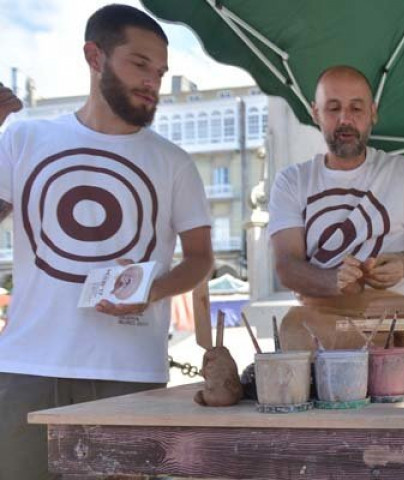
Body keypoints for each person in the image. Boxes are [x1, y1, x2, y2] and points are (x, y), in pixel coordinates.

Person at [0, 5, 214, 478]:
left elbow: (200, 259)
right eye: (139, 64)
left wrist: (151, 290)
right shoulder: (23, 139)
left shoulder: (174, 162)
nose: (152, 82)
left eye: (159, 71)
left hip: (129, 372)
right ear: (94, 56)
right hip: (25, 366)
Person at [269, 65, 404, 299]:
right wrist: (333, 281)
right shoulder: (291, 181)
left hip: (391, 325)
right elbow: (286, 266)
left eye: (356, 108)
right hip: (317, 325)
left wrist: (403, 265)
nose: (345, 119)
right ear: (316, 113)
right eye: (333, 108)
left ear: (372, 112)